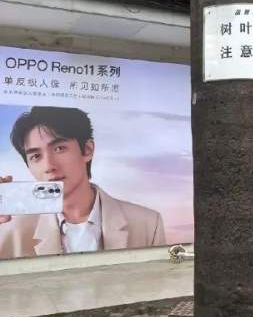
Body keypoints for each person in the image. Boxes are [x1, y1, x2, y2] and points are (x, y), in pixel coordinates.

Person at [0, 106, 165, 258]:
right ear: (28, 166)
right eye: (36, 156)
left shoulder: (148, 223)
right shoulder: (10, 232)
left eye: (59, 148)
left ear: (87, 150)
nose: (49, 166)